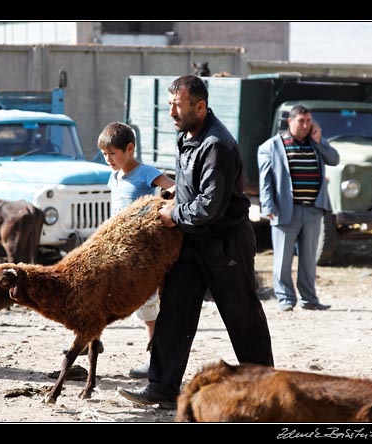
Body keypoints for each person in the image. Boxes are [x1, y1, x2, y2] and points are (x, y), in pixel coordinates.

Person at [118, 75, 274, 409]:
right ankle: (162, 387)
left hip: (225, 244)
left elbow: (209, 206)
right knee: (173, 311)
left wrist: (174, 214)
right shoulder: (188, 136)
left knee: (241, 314)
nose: (171, 112)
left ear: (200, 107)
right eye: (170, 105)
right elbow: (196, 189)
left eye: (178, 105)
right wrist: (173, 193)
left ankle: (266, 388)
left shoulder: (216, 144)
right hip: (191, 242)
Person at [97, 122, 175, 379]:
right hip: (117, 249)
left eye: (113, 154)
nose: (108, 159)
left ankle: (154, 357)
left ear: (129, 149)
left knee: (147, 306)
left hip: (141, 253)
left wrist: (159, 210)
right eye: (105, 154)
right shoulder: (114, 176)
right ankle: (91, 340)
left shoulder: (145, 173)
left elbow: (173, 188)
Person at [257, 104, 340, 312]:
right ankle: (286, 299)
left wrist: (320, 141)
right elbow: (265, 179)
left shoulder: (316, 144)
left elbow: (334, 159)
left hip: (313, 210)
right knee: (283, 260)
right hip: (286, 210)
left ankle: (309, 299)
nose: (305, 125)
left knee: (309, 260)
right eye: (301, 121)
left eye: (308, 121)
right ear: (290, 122)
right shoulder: (272, 146)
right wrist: (267, 204)